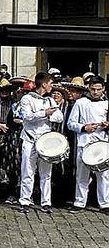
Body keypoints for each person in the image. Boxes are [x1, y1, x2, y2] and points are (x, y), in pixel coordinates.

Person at [17, 72, 64, 213]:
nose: (51, 87)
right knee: (28, 170)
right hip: (30, 139)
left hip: (45, 140)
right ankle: (25, 201)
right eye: (50, 84)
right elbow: (25, 116)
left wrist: (51, 115)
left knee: (46, 172)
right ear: (44, 84)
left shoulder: (50, 100)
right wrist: (44, 113)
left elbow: (59, 116)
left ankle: (46, 202)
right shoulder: (27, 98)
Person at [67, 76, 108, 213]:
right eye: (93, 89)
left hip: (101, 143)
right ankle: (79, 202)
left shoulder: (107, 103)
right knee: (82, 174)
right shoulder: (81, 103)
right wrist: (84, 128)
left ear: (103, 89)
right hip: (84, 143)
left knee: (103, 174)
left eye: (98, 89)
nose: (96, 92)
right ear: (88, 89)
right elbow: (70, 123)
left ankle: (105, 203)